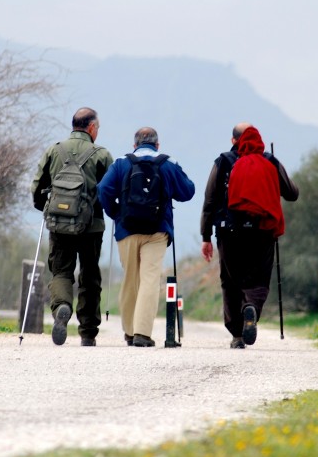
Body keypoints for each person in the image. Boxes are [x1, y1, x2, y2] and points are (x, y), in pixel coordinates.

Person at [200, 122, 299, 349]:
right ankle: (251, 306)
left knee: (230, 281)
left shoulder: (223, 161)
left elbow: (210, 201)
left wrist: (205, 235)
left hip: (229, 231)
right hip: (262, 231)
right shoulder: (269, 161)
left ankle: (236, 334)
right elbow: (292, 193)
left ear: (233, 140)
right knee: (259, 278)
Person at [98, 127, 195, 347]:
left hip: (127, 230)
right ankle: (142, 333)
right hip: (157, 231)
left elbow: (103, 189)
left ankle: (130, 332)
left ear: (134, 145)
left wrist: (116, 213)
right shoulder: (168, 163)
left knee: (131, 279)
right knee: (149, 279)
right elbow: (188, 191)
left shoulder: (122, 163)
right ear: (157, 145)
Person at [31, 107, 115, 347]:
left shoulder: (54, 150)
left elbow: (37, 187)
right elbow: (110, 190)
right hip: (92, 226)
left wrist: (47, 210)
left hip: (59, 224)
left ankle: (62, 307)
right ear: (91, 128)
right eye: (97, 128)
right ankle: (88, 332)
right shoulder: (101, 154)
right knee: (89, 274)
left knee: (61, 271)